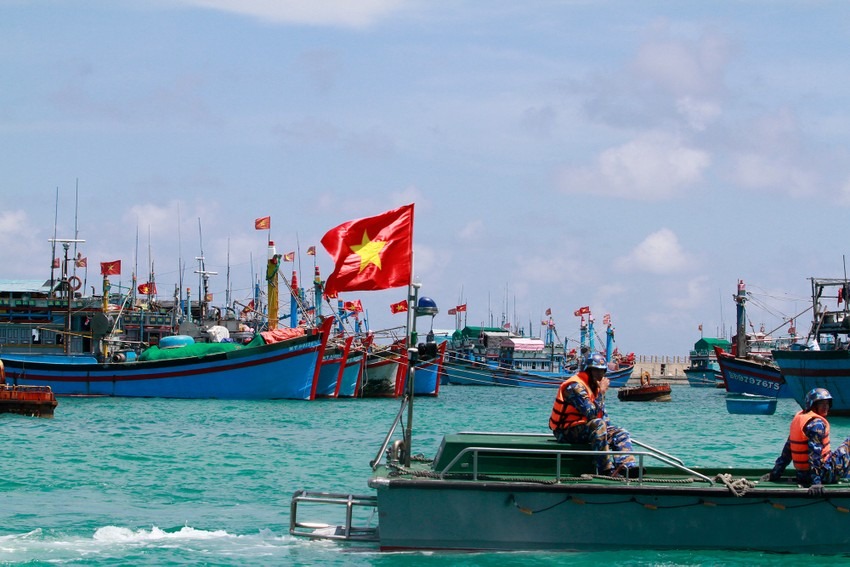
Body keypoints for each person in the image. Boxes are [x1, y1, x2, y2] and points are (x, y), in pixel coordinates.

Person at [549, 352, 636, 477]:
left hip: (585, 428)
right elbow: (590, 413)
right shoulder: (574, 386)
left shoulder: (594, 387)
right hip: (566, 431)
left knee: (621, 432)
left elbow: (603, 416)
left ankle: (627, 467)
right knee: (598, 425)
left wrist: (611, 433)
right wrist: (601, 393)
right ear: (587, 371)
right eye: (596, 371)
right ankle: (605, 470)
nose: (600, 375)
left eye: (602, 371)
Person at [767, 387, 850, 495]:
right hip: (823, 475)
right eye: (821, 404)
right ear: (813, 405)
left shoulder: (799, 421)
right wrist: (816, 482)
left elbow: (786, 453)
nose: (826, 407)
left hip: (802, 475)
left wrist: (774, 474)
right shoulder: (817, 424)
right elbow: (814, 455)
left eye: (827, 403)